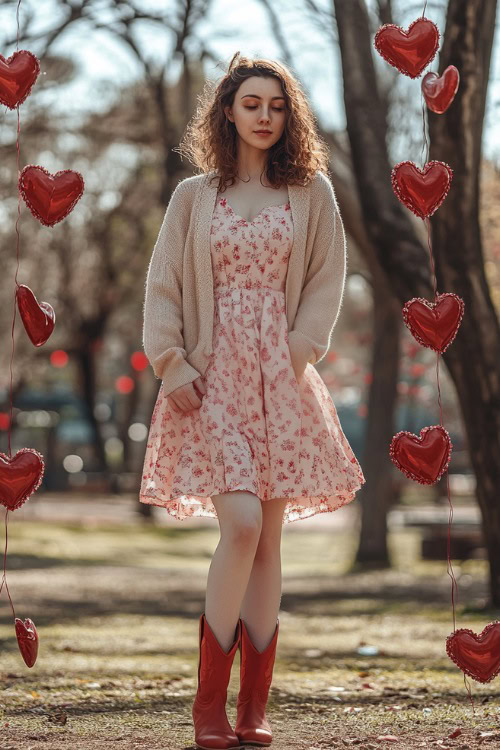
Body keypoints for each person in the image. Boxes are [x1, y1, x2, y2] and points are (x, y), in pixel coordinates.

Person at [141, 51, 366, 750]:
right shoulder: (192, 197)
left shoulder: (312, 193)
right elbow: (164, 286)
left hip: (283, 378)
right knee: (238, 524)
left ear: (288, 114)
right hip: (210, 378)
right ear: (228, 113)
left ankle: (252, 711)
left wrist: (300, 349)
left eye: (276, 105)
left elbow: (328, 277)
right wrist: (171, 364)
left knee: (268, 541)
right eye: (251, 105)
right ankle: (207, 708)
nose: (264, 116)